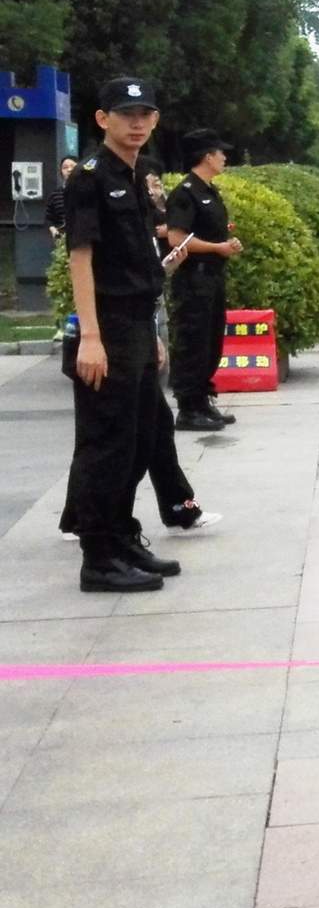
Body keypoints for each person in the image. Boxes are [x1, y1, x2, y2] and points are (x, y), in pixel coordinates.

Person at [61, 77, 185, 592]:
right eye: (126, 114)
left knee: (140, 437)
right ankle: (98, 556)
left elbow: (137, 261)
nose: (136, 123)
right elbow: (81, 257)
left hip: (135, 323)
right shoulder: (89, 178)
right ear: (102, 119)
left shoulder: (135, 174)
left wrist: (149, 331)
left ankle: (122, 536)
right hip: (106, 326)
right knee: (107, 443)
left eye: (145, 114)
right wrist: (90, 337)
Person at [164, 131, 242, 431]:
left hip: (212, 277)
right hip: (193, 279)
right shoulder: (185, 193)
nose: (224, 157)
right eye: (220, 152)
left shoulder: (210, 190)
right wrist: (216, 248)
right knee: (193, 341)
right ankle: (188, 407)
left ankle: (203, 400)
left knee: (211, 340)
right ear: (207, 156)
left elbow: (213, 231)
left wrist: (227, 244)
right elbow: (176, 238)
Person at [45, 155, 77, 239]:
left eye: (73, 166)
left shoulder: (88, 191)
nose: (69, 170)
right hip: (63, 237)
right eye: (65, 167)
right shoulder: (55, 194)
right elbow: (48, 217)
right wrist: (53, 230)